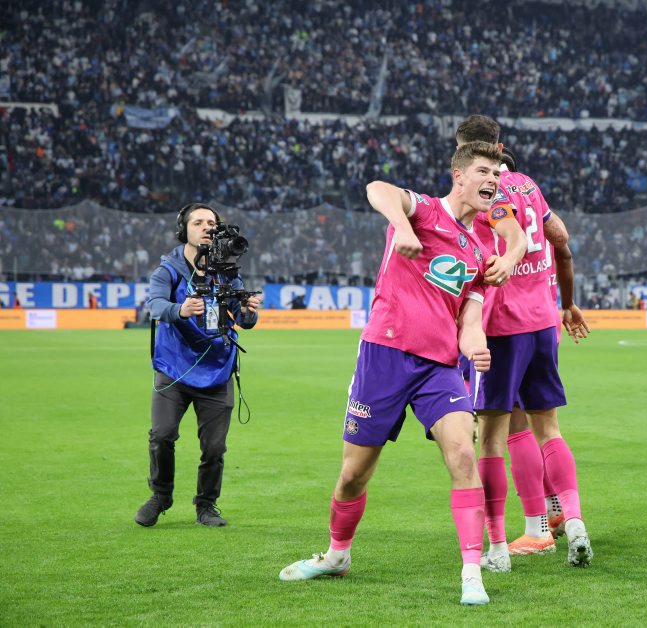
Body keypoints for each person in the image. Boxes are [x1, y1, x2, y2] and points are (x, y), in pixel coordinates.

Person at [279, 141, 500, 606]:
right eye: (484, 171)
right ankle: (337, 555)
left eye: (497, 173)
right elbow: (376, 187)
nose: (493, 180)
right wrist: (401, 226)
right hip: (384, 355)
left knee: (464, 455)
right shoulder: (424, 210)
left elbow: (470, 321)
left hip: (439, 367)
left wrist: (475, 346)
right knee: (353, 475)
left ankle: (471, 573)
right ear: (459, 176)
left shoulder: (481, 252)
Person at [455, 116, 592, 572]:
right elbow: (561, 239)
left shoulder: (482, 195)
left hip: (500, 325)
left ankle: (520, 536)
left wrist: (509, 257)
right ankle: (572, 520)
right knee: (548, 428)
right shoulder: (528, 184)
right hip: (542, 320)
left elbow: (489, 243)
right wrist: (565, 301)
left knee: (498, 437)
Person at [135, 203, 261, 528]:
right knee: (162, 435)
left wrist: (248, 310)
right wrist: (180, 309)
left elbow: (245, 320)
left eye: (211, 223)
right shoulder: (168, 270)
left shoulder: (227, 271)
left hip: (217, 369)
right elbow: (155, 305)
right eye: (198, 222)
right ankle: (160, 496)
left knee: (215, 448)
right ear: (184, 230)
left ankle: (206, 506)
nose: (206, 227)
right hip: (173, 369)